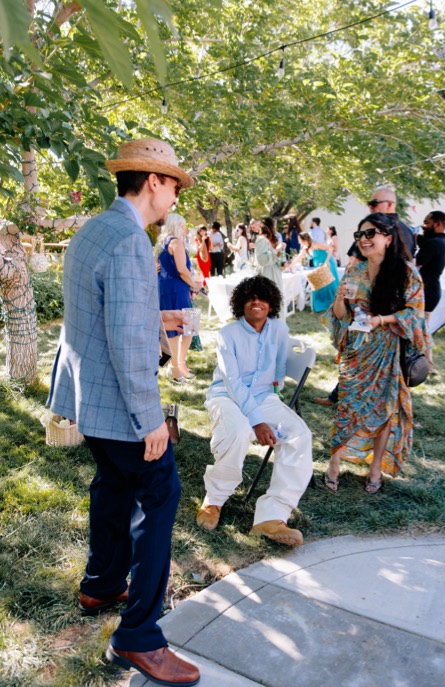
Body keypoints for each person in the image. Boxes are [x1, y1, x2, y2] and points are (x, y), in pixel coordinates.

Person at [47, 138, 200, 686]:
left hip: (88, 398)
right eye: (174, 184)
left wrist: (163, 324)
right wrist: (150, 417)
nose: (176, 195)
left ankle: (103, 583)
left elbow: (102, 313)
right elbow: (127, 339)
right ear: (154, 181)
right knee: (162, 496)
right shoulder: (133, 241)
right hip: (121, 405)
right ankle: (139, 637)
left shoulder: (94, 229)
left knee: (112, 487)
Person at [196, 276, 311, 547]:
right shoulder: (228, 334)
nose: (256, 302)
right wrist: (257, 421)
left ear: (271, 305)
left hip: (263, 397)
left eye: (262, 298)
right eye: (250, 297)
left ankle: (271, 517)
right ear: (240, 304)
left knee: (299, 434)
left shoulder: (279, 329)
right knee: (236, 431)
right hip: (227, 396)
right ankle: (213, 500)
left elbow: (281, 365)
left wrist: (276, 391)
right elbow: (232, 382)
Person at [325, 213, 432, 493]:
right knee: (347, 407)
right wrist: (339, 299)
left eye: (370, 233)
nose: (363, 240)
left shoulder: (406, 271)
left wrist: (381, 320)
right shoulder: (354, 271)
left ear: (388, 237)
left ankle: (375, 470)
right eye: (359, 235)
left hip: (387, 351)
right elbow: (341, 316)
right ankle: (334, 464)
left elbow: (415, 312)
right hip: (356, 352)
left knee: (384, 410)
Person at [157, 213, 203, 383]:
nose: (185, 229)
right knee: (180, 327)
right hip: (175, 288)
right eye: (183, 225)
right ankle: (174, 368)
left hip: (169, 287)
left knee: (188, 327)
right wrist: (194, 284)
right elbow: (182, 269)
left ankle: (180, 363)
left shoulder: (162, 243)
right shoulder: (175, 242)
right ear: (176, 226)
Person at [415, 210, 445, 316]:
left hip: (426, 293)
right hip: (431, 293)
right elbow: (424, 241)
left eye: (426, 223)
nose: (423, 226)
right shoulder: (441, 241)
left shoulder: (433, 243)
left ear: (438, 224)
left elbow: (415, 264)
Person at [307, 216, 340, 313]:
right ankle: (327, 303)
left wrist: (327, 261)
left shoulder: (313, 235)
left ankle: (334, 303)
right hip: (321, 259)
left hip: (326, 259)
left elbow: (332, 249)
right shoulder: (322, 233)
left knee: (329, 283)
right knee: (322, 283)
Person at [253, 219, 282, 293]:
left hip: (275, 273)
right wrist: (276, 250)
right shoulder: (262, 240)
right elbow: (262, 260)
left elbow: (275, 257)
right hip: (266, 274)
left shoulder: (271, 239)